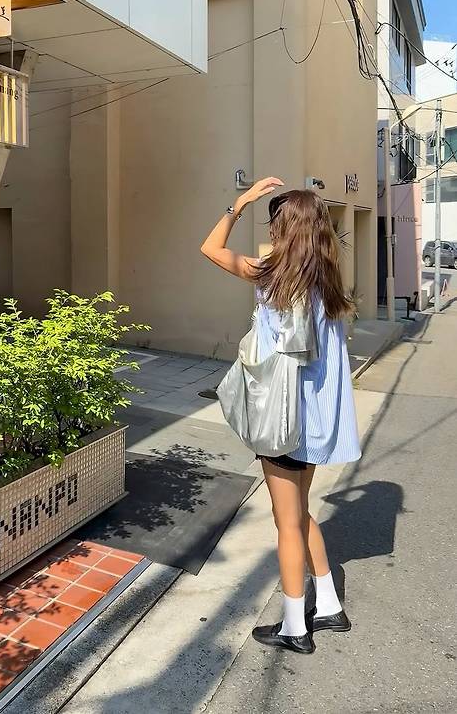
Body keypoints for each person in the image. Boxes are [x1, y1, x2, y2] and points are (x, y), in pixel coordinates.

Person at [200, 178, 361, 655]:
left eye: (274, 222)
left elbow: (209, 248)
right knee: (299, 511)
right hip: (314, 424)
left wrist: (239, 204)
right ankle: (328, 604)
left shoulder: (270, 276)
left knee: (286, 522)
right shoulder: (328, 284)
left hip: (282, 422)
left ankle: (295, 626)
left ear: (284, 229)